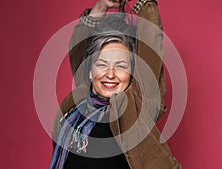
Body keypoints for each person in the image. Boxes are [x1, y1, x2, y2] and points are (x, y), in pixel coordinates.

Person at [50, 0, 181, 168]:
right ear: (89, 70)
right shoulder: (77, 110)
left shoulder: (135, 107)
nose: (110, 74)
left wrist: (145, 5)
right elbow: (78, 49)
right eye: (102, 64)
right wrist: (101, 6)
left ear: (132, 73)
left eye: (120, 66)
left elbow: (151, 50)